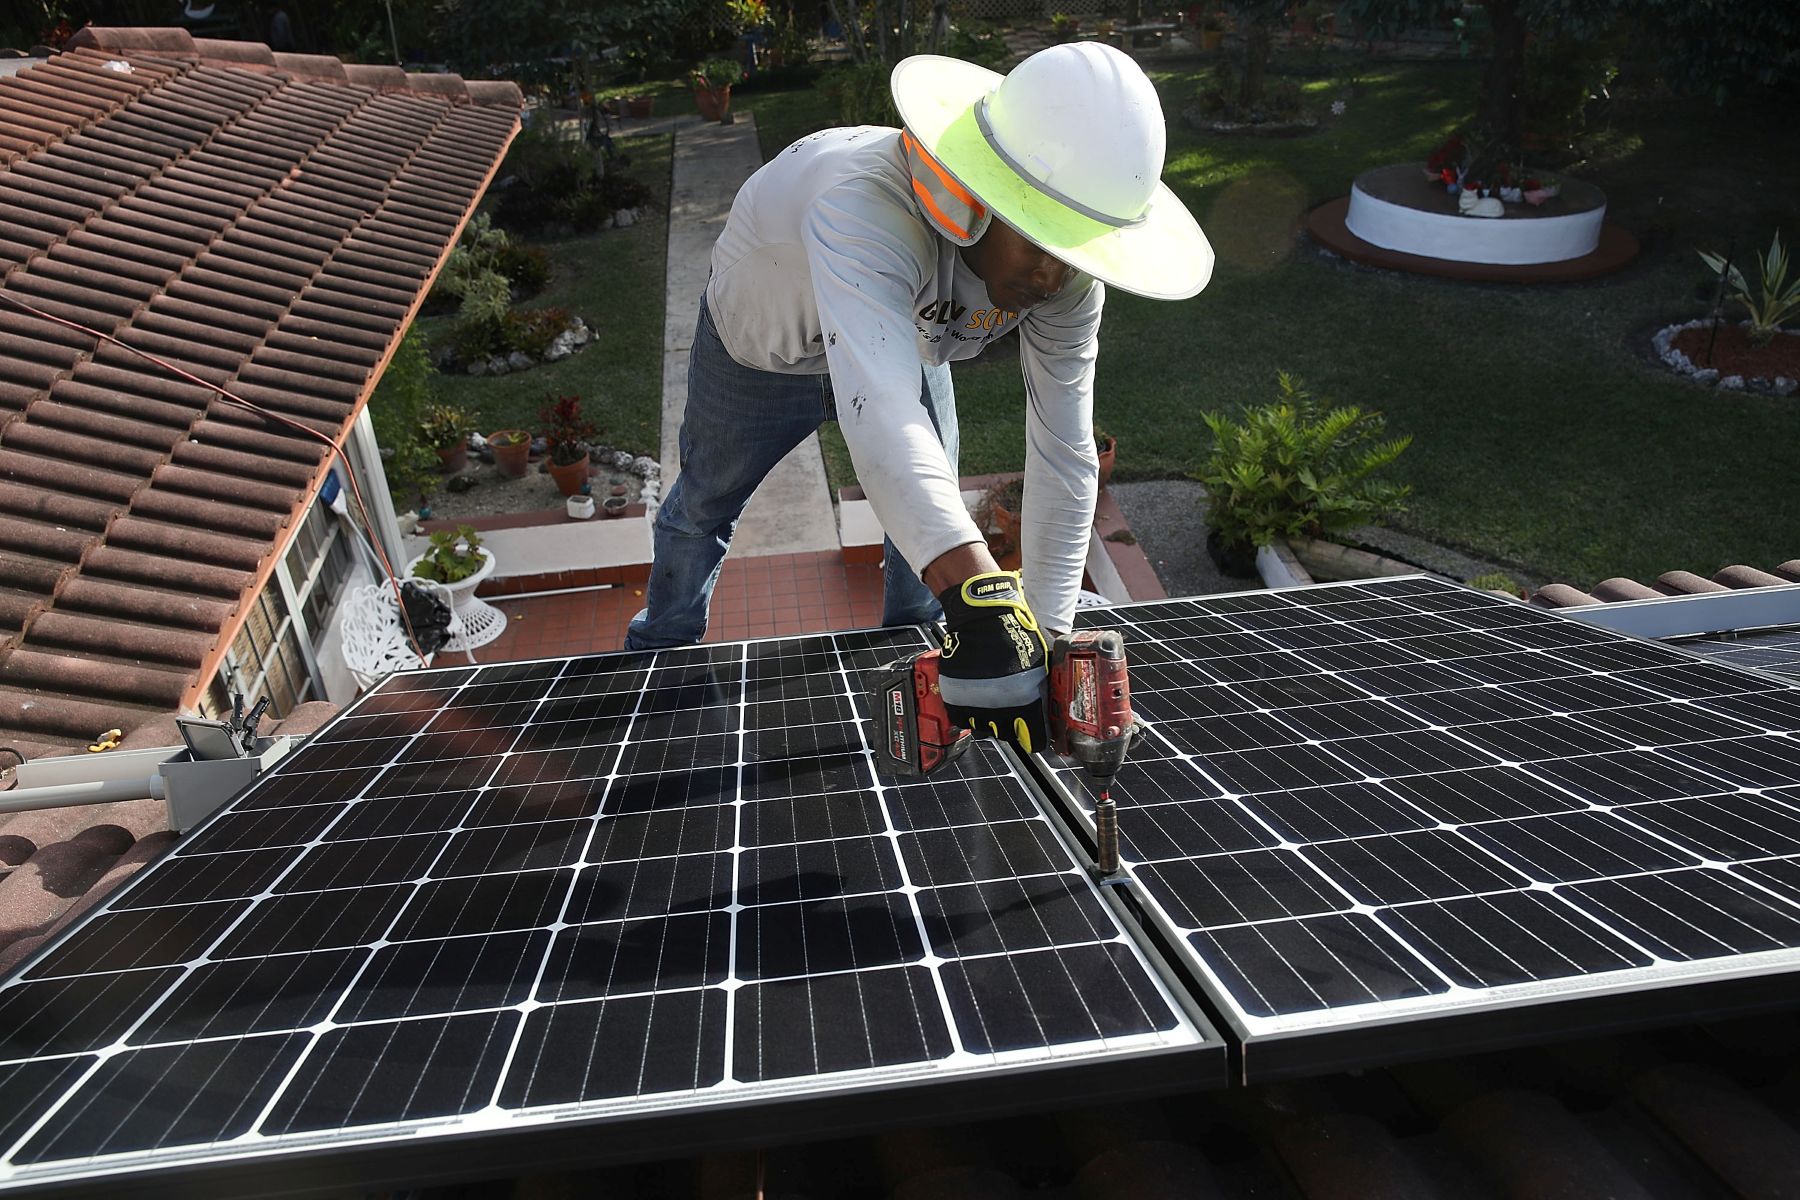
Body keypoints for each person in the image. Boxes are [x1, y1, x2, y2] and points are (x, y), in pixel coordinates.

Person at [625, 41, 1212, 752]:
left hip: (906, 345)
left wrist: (1047, 636)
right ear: (978, 195)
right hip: (763, 353)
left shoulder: (1066, 279)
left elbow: (1063, 448)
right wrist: (981, 597)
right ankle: (659, 653)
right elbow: (883, 412)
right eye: (1041, 240)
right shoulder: (862, 202)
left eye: (1077, 247)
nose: (1056, 277)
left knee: (929, 514)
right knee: (705, 504)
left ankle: (912, 650)